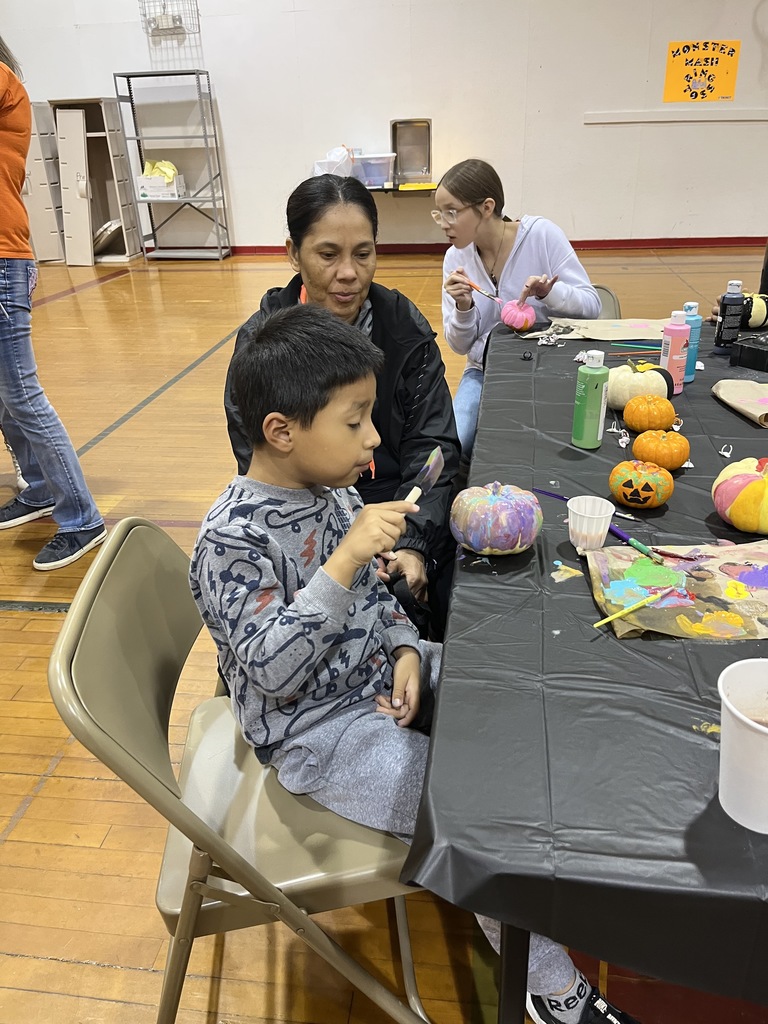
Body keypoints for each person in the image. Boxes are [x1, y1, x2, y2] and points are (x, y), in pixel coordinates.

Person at [192, 304, 641, 1024]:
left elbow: (375, 596)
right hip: (319, 737)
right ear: (280, 431)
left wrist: (403, 643)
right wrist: (342, 560)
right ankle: (551, 989)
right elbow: (273, 673)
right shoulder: (229, 542)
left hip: (376, 677)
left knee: (512, 691)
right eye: (355, 419)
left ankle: (581, 860)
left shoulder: (333, 492)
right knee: (471, 814)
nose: (374, 437)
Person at [224, 173, 460, 639]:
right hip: (312, 519)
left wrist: (411, 544)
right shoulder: (262, 349)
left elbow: (432, 448)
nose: (348, 272)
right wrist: (346, 540)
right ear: (294, 253)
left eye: (363, 253)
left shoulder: (403, 328)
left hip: (401, 509)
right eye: (328, 254)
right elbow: (265, 466)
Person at [0, 37, 105, 570]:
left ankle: (81, 517)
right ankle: (40, 486)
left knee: (21, 391)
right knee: (5, 394)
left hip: (1, 258)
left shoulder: (1, 79)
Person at [435, 158, 601, 455]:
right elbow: (460, 347)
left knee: (549, 445)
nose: (444, 224)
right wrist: (463, 307)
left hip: (545, 369)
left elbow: (592, 307)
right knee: (456, 443)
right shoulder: (455, 259)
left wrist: (551, 295)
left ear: (486, 207)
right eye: (439, 214)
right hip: (484, 373)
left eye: (452, 213)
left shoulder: (541, 236)